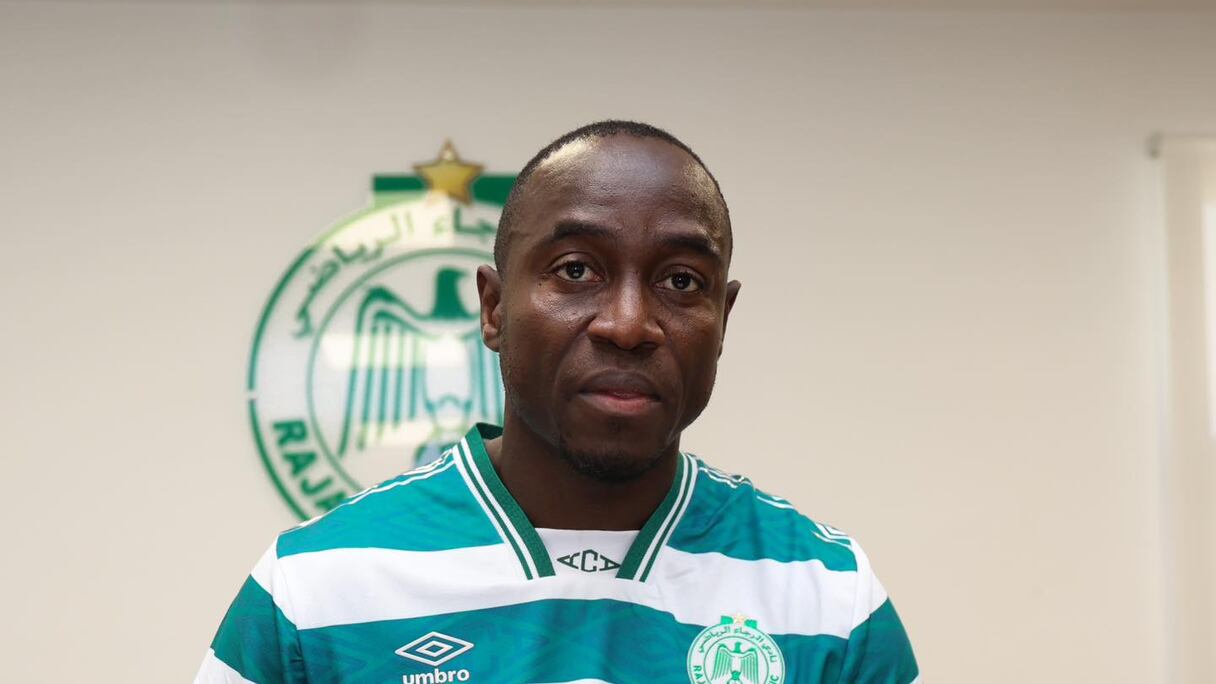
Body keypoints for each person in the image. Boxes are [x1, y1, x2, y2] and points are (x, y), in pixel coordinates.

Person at [195, 121, 920, 684]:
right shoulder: (314, 591)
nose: (629, 324)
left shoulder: (830, 599)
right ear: (493, 308)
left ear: (722, 321)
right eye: (576, 270)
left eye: (681, 281)